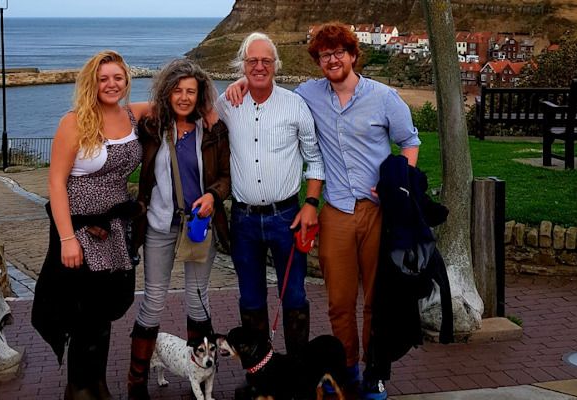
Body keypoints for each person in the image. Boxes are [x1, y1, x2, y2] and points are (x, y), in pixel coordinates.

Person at [225, 23, 420, 399]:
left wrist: (401, 182)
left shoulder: (383, 97)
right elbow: (266, 89)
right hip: (336, 212)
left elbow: (409, 141)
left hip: (379, 212)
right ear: (318, 61)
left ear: (352, 55)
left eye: (338, 53)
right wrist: (243, 85)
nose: (332, 60)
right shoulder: (307, 95)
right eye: (324, 55)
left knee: (376, 300)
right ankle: (344, 371)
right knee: (340, 302)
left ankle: (375, 372)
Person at [32, 50, 149, 400]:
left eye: (118, 77)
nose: (111, 84)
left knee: (102, 312)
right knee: (82, 312)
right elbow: (56, 184)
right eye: (104, 79)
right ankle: (79, 388)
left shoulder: (133, 114)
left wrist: (226, 92)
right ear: (91, 83)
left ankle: (97, 384)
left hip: (113, 229)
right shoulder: (75, 122)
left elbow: (179, 96)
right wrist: (68, 239)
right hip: (81, 228)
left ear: (127, 80)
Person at [126, 58, 231, 400]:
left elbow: (225, 177)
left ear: (200, 96)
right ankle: (136, 381)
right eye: (177, 90)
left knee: (198, 301)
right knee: (154, 301)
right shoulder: (153, 127)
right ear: (167, 93)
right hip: (158, 225)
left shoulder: (212, 131)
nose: (184, 97)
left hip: (199, 226)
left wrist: (214, 196)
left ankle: (199, 372)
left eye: (191, 91)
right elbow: (117, 109)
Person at [215, 32, 324, 357]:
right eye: (252, 61)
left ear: (276, 64)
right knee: (250, 298)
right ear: (242, 65)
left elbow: (315, 160)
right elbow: (198, 115)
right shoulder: (227, 104)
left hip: (287, 218)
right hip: (244, 220)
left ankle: (298, 374)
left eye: (266, 60)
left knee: (293, 296)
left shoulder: (295, 106)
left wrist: (311, 204)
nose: (259, 66)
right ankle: (259, 373)